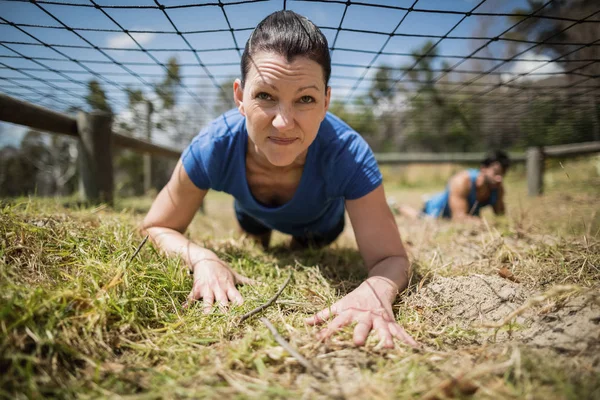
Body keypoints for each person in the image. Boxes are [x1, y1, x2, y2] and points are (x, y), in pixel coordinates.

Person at [141, 11, 416, 349]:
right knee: (254, 245)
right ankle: (258, 231)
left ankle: (298, 240)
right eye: (266, 96)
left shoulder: (348, 155)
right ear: (240, 96)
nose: (283, 123)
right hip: (251, 216)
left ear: (326, 101)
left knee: (304, 249)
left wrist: (374, 292)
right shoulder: (214, 146)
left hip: (319, 226)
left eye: (305, 99)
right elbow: (154, 227)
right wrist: (203, 258)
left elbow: (391, 259)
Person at [394, 151, 510, 221]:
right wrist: (483, 222)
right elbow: (459, 219)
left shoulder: (497, 187)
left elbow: (500, 216)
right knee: (421, 219)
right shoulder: (462, 181)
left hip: (464, 210)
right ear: (483, 168)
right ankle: (399, 208)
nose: (499, 178)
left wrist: (498, 196)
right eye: (495, 172)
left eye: (502, 174)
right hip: (437, 208)